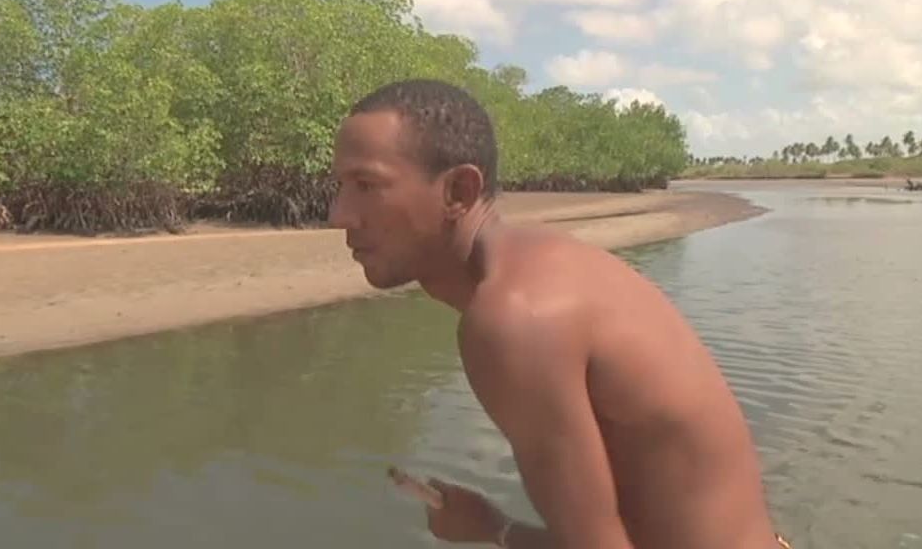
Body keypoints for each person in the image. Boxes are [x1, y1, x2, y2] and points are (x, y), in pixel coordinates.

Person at [328, 78, 786, 549]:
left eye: (367, 185)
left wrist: (494, 533)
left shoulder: (513, 321)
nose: (339, 214)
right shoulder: (547, 264)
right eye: (340, 186)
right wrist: (492, 528)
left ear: (458, 190)